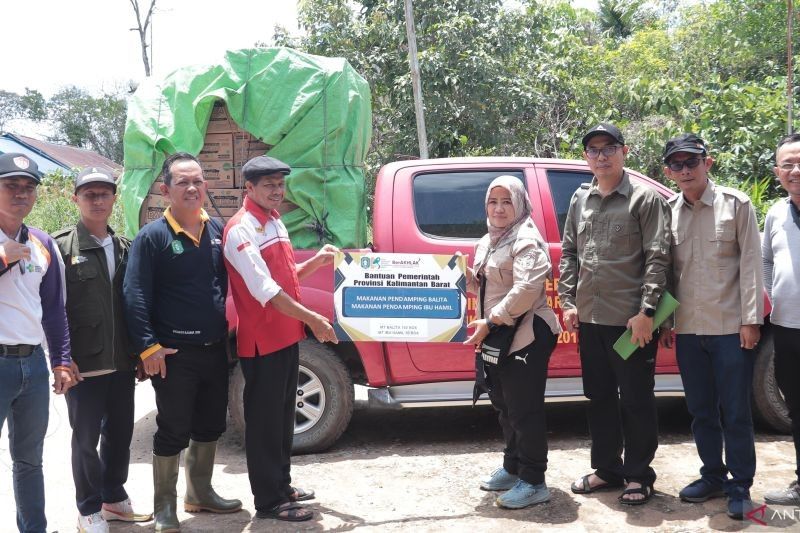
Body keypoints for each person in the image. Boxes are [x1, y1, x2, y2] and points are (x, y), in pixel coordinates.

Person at [123, 152, 241, 532]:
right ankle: (164, 508)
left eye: (198, 181)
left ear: (206, 186)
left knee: (210, 424)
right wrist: (148, 347)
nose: (192, 188)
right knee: (173, 428)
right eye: (182, 182)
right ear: (165, 190)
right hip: (173, 354)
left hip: (213, 349)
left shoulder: (219, 231)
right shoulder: (152, 237)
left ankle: (200, 492)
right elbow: (135, 294)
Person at [558, 123, 670, 505]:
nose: (601, 156)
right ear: (586, 157)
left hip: (630, 324)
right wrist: (569, 301)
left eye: (609, 148)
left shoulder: (644, 198)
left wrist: (647, 311)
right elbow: (569, 253)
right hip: (590, 320)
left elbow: (658, 256)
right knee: (599, 396)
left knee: (635, 399)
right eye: (594, 150)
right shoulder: (580, 198)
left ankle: (639, 474)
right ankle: (607, 469)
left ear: (624, 151)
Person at [223, 155, 338, 522]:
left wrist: (315, 263)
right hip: (262, 342)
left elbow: (285, 278)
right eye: (268, 184)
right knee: (264, 424)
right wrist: (315, 319)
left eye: (280, 183)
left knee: (282, 418)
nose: (276, 190)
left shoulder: (274, 221)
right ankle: (270, 501)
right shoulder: (241, 229)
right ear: (250, 188)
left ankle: (281, 484)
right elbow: (267, 292)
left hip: (286, 336)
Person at [657, 134, 762, 520]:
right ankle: (712, 475)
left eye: (691, 163)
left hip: (730, 330)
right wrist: (666, 320)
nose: (685, 171)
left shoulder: (736, 205)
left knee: (735, 411)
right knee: (701, 410)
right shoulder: (669, 211)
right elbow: (667, 274)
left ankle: (740, 484)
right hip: (687, 330)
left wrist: (751, 320)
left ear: (708, 163)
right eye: (676, 165)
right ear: (668, 171)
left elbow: (751, 265)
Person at [52, 167, 152, 532]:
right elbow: (51, 308)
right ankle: (88, 508)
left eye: (104, 193)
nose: (97, 200)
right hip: (84, 365)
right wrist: (62, 358)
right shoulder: (61, 247)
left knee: (121, 434)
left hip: (122, 363)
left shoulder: (125, 247)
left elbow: (134, 304)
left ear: (114, 198)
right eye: (89, 194)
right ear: (75, 199)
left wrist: (141, 351)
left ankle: (113, 498)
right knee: (85, 440)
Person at [462, 175, 561, 509]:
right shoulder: (488, 240)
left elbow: (525, 291)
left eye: (507, 201)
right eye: (493, 202)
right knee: (504, 405)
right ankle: (513, 465)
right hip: (499, 335)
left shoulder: (526, 240)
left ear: (519, 204)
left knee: (524, 409)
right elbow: (483, 286)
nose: (499, 208)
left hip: (527, 334)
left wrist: (489, 321)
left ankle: (534, 481)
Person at [0, 152, 75, 532]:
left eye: (28, 188)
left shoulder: (42, 243)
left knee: (30, 460)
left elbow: (54, 310)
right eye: (11, 186)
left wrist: (61, 360)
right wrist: (2, 259)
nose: (21, 194)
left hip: (31, 363)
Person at [762, 133, 800, 506]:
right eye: (787, 165)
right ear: (777, 172)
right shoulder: (776, 212)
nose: (795, 170)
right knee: (796, 408)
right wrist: (777, 299)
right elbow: (765, 263)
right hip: (787, 329)